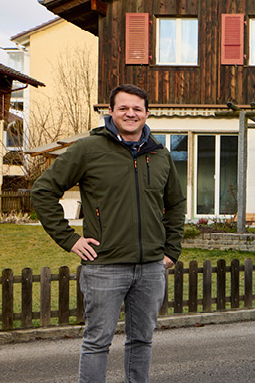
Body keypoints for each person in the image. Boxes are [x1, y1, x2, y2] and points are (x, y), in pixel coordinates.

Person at [31, 84, 186, 383]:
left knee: (142, 341)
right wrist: (70, 239)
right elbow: (43, 191)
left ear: (147, 113)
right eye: (123, 108)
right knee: (97, 342)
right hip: (104, 266)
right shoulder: (89, 149)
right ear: (111, 112)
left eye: (137, 108)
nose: (131, 113)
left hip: (151, 268)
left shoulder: (160, 154)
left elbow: (176, 203)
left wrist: (171, 250)